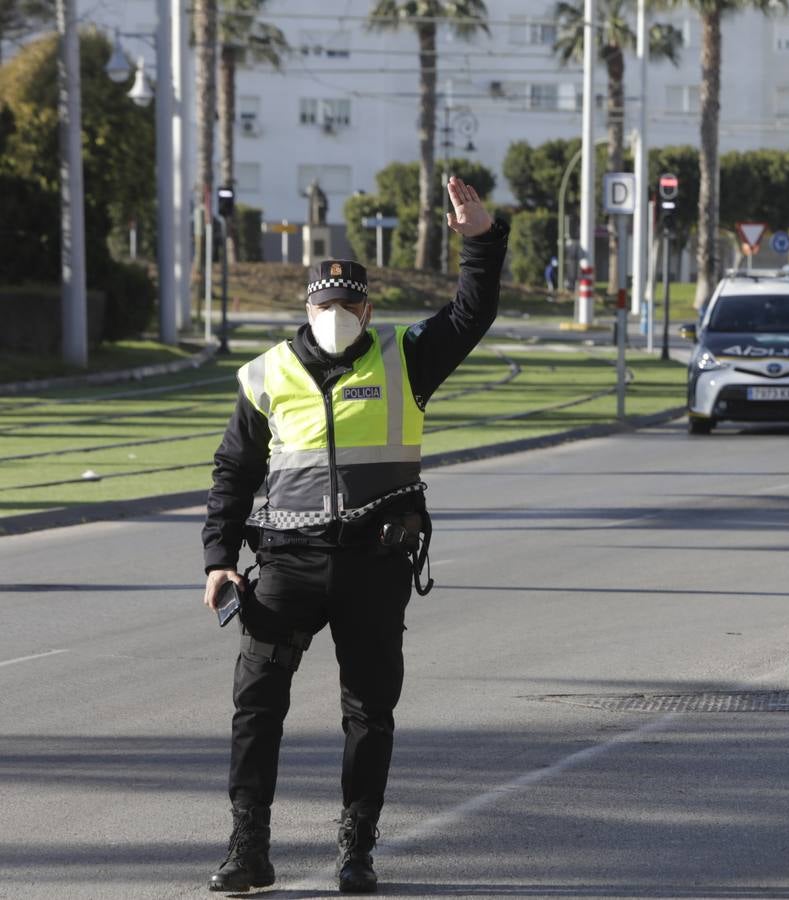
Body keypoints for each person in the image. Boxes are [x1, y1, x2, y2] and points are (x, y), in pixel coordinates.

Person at [201, 177, 506, 894]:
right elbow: (232, 472)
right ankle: (249, 848)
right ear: (307, 306)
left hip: (375, 562)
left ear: (369, 307)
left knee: (369, 709)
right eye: (325, 302)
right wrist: (219, 559)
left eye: (349, 303)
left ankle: (356, 849)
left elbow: (472, 312)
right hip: (284, 563)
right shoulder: (266, 374)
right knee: (256, 704)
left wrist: (482, 241)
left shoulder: (407, 357)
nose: (337, 313)